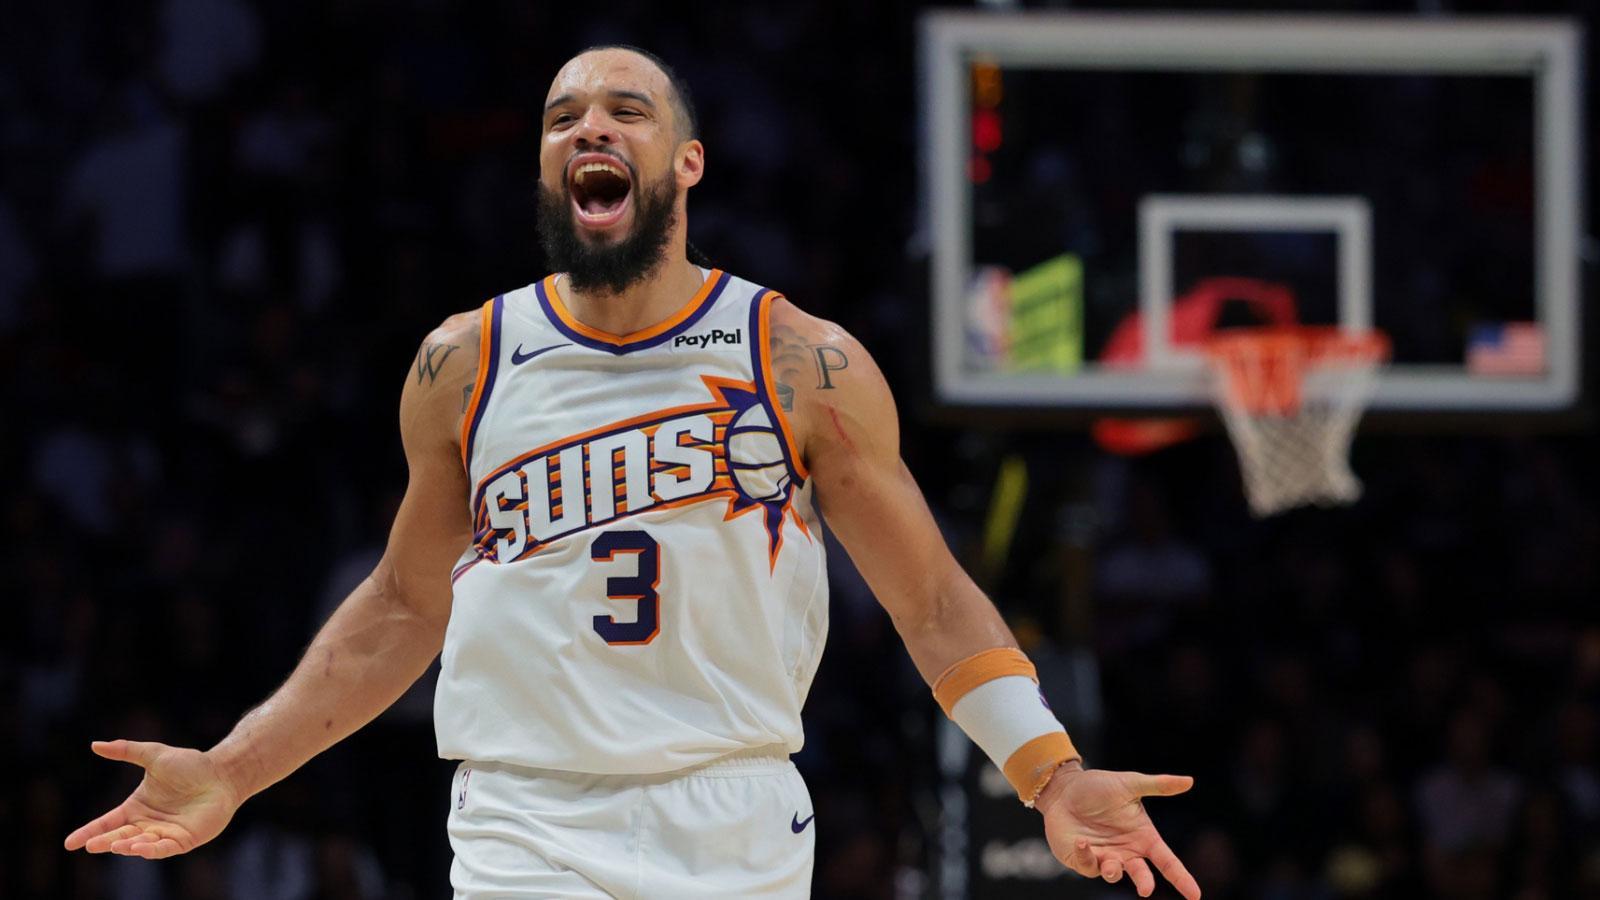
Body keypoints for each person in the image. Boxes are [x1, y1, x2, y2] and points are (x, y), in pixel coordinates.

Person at [64, 46, 1202, 899]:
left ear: (688, 162)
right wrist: (234, 769)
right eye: (562, 117)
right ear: (544, 166)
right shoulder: (462, 361)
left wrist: (1052, 775)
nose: (588, 128)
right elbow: (405, 605)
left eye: (625, 110)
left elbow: (933, 601)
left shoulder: (797, 358)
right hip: (524, 816)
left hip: (734, 815)